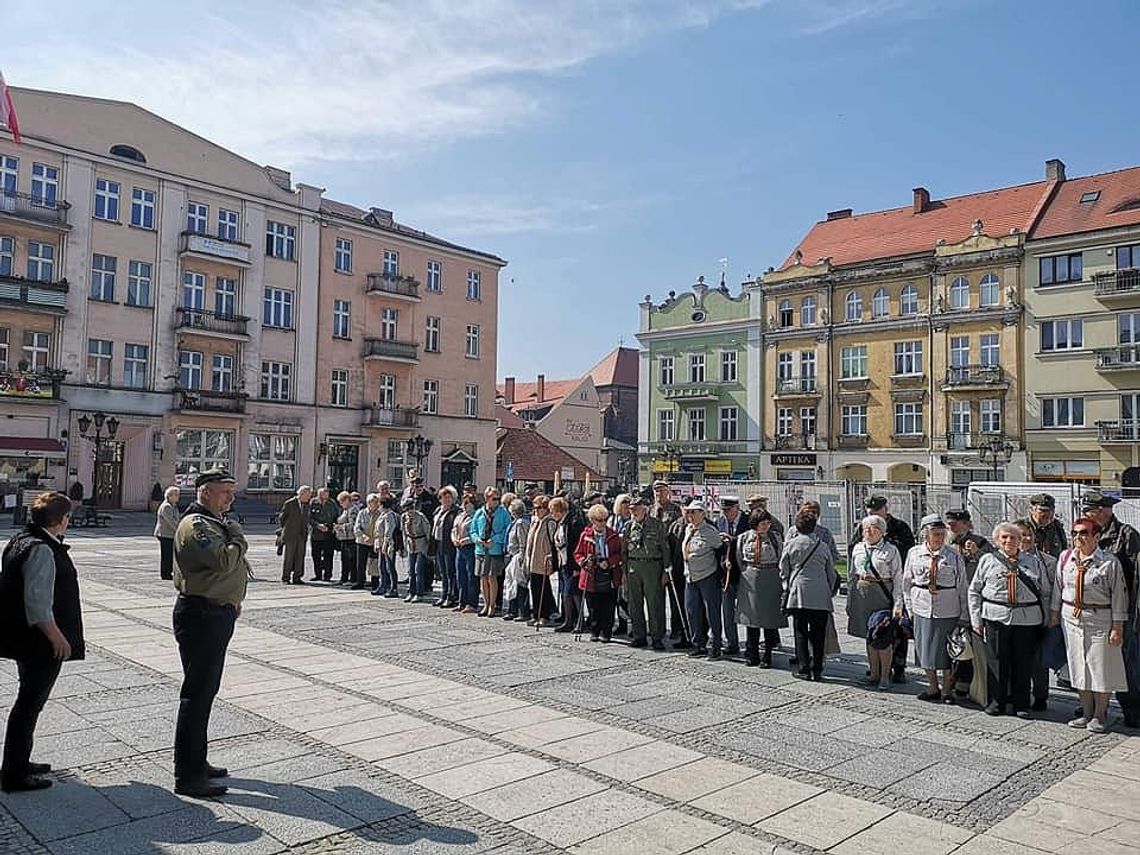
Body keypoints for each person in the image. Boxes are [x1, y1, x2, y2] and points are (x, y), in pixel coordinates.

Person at [171, 470, 249, 797]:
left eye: (232, 492)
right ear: (204, 493)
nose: (231, 498)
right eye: (224, 492)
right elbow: (222, 560)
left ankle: (197, 761)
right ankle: (188, 775)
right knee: (197, 694)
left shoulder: (213, 522)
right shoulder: (198, 526)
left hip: (214, 611)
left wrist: (231, 599)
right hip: (202, 615)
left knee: (205, 692)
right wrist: (238, 537)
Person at [0, 492, 84, 793]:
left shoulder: (20, 539)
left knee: (28, 702)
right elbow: (37, 602)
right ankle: (14, 773)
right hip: (38, 642)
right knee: (29, 704)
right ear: (62, 520)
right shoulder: (42, 549)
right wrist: (57, 636)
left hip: (22, 638)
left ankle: (19, 760)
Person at [1051, 516, 1129, 733]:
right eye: (1075, 533)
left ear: (1096, 536)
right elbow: (1059, 588)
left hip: (1099, 619)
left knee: (1100, 667)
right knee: (1078, 666)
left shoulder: (1109, 562)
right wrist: (1054, 613)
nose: (1078, 537)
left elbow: (1118, 597)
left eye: (1084, 533)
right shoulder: (1066, 558)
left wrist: (1117, 627)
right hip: (1072, 619)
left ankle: (1100, 714)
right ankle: (1086, 712)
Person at [969, 521, 1052, 718]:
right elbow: (974, 591)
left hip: (1027, 619)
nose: (1009, 541)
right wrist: (976, 620)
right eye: (1004, 537)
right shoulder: (988, 560)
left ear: (1020, 540)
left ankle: (1021, 703)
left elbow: (1046, 593)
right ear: (996, 540)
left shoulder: (1033, 562)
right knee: (996, 661)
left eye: (1013, 537)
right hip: (995, 616)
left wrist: (1046, 619)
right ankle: (996, 701)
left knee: (1023, 663)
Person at [1080, 489, 1140, 728]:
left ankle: (1133, 709)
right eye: (1085, 509)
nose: (1086, 513)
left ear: (1105, 510)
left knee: (1128, 663)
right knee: (1095, 660)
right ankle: (1094, 707)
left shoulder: (1126, 535)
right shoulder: (1084, 532)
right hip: (1093, 611)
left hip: (1121, 610)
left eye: (1090, 509)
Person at [901, 514, 968, 703]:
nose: (939, 537)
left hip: (948, 608)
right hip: (922, 607)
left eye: (941, 533)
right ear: (925, 535)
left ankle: (947, 690)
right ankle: (932, 687)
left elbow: (962, 586)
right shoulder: (914, 553)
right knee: (925, 650)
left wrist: (964, 614)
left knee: (947, 651)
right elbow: (907, 583)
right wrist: (910, 608)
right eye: (935, 534)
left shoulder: (953, 555)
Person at [780, 510, 839, 681]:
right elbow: (831, 573)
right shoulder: (822, 546)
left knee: (800, 631)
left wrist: (787, 586)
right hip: (820, 594)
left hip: (799, 593)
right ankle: (818, 668)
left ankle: (804, 667)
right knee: (818, 633)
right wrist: (829, 590)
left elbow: (783, 569)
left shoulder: (791, 544)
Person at [849, 514, 902, 689]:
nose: (868, 531)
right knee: (868, 635)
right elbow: (851, 575)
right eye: (865, 528)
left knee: (882, 636)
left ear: (882, 531)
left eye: (873, 528)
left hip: (881, 594)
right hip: (862, 595)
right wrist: (850, 601)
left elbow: (898, 579)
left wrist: (898, 604)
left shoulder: (890, 550)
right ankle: (873, 673)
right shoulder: (857, 548)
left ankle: (885, 675)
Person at [1016, 518, 1058, 711]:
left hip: (1037, 615)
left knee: (1037, 659)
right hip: (1012, 617)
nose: (1024, 538)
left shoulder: (1047, 561)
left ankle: (1040, 695)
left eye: (1028, 534)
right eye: (1020, 534)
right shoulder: (1001, 558)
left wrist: (1050, 616)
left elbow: (1053, 591)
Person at [735, 509, 784, 668]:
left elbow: (781, 556)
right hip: (751, 578)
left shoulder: (775, 538)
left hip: (770, 577)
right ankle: (752, 652)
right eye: (763, 523)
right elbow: (738, 558)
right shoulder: (744, 538)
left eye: (768, 523)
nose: (766, 526)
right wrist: (746, 572)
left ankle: (768, 654)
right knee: (751, 619)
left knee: (769, 619)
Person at [622, 496, 669, 650]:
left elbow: (665, 549)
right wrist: (624, 573)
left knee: (654, 603)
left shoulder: (657, 525)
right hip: (634, 567)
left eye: (636, 508)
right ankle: (638, 635)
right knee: (634, 604)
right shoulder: (629, 526)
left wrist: (666, 571)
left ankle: (656, 637)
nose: (633, 511)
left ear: (645, 508)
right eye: (631, 509)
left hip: (653, 567)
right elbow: (624, 552)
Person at [575, 504, 624, 642]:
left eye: (604, 519)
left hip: (609, 574)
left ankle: (606, 632)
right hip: (591, 574)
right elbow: (577, 553)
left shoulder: (613, 535)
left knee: (608, 605)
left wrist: (609, 562)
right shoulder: (585, 535)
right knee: (593, 606)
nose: (602, 523)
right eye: (599, 520)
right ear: (592, 520)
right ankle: (595, 630)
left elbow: (619, 554)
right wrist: (584, 562)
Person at [682, 501, 724, 660]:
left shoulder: (710, 531)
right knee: (692, 610)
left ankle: (716, 645)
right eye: (689, 512)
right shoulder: (689, 529)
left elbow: (720, 549)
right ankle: (698, 643)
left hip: (707, 576)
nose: (690, 516)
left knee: (711, 612)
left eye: (693, 512)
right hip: (690, 576)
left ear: (702, 513)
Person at [651, 481, 687, 645]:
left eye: (662, 492)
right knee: (656, 597)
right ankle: (658, 627)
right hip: (654, 559)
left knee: (675, 597)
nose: (659, 495)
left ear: (668, 492)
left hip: (672, 557)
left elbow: (678, 533)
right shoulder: (651, 510)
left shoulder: (675, 510)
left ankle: (677, 628)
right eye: (657, 492)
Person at [715, 496, 749, 658]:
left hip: (744, 573)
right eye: (724, 511)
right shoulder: (720, 522)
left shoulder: (748, 522)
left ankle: (751, 643)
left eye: (728, 510)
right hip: (726, 573)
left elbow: (750, 542)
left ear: (737, 508)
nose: (726, 514)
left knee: (748, 611)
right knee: (727, 611)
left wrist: (732, 540)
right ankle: (732, 643)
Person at [471, 487, 510, 617]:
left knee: (492, 577)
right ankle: (486, 604)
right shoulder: (479, 512)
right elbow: (473, 530)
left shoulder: (503, 512)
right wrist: (478, 540)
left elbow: (507, 530)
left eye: (498, 498)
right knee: (483, 577)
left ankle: (493, 606)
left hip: (494, 549)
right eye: (494, 499)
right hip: (481, 549)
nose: (497, 501)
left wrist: (495, 539)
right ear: (487, 499)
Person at [551, 496, 586, 632]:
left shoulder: (573, 522)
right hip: (563, 562)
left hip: (572, 563)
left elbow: (575, 546)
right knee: (566, 592)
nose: (551, 513)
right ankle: (568, 620)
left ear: (559, 510)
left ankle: (580, 621)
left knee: (574, 592)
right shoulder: (561, 522)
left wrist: (577, 566)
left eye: (552, 510)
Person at [524, 494, 557, 627]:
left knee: (543, 588)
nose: (535, 510)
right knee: (534, 588)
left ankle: (544, 615)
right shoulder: (535, 521)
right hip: (533, 560)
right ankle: (536, 614)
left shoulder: (550, 522)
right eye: (534, 507)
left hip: (543, 560)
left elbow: (553, 542)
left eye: (539, 508)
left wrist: (551, 559)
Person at [503, 498, 532, 621]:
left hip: (517, 557)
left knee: (520, 584)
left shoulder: (521, 523)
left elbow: (523, 542)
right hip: (511, 555)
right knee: (510, 583)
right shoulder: (515, 522)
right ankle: (512, 609)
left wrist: (521, 557)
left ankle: (523, 611)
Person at [277, 485, 312, 585]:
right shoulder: (290, 503)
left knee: (300, 556)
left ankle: (297, 577)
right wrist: (286, 528)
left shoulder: (306, 505)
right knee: (289, 557)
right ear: (301, 494)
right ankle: (286, 577)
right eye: (308, 495)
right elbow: (282, 518)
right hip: (290, 534)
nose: (309, 497)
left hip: (302, 534)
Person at [432, 487, 460, 608]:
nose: (446, 499)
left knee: (450, 572)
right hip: (438, 543)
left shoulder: (455, 511)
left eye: (449, 497)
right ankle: (443, 595)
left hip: (449, 544)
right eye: (444, 497)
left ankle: (451, 596)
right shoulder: (438, 510)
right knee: (442, 572)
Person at [451, 495, 479, 614]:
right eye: (464, 502)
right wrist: (454, 539)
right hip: (459, 548)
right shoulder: (459, 516)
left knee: (470, 576)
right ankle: (461, 602)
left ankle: (472, 603)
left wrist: (466, 540)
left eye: (468, 503)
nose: (465, 505)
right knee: (460, 575)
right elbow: (453, 530)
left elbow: (476, 532)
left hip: (470, 547)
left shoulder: (476, 516)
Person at [400, 497, 431, 603]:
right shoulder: (404, 517)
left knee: (418, 570)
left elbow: (427, 532)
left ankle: (419, 593)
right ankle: (411, 592)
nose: (409, 510)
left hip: (420, 544)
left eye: (411, 507)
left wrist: (428, 549)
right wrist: (404, 546)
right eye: (407, 508)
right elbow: (404, 533)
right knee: (411, 571)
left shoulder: (421, 517)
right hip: (410, 545)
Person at [308, 487, 339, 582]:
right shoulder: (313, 503)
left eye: (326, 495)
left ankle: (327, 575)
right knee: (316, 555)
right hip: (316, 534)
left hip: (328, 534)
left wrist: (330, 527)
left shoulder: (332, 503)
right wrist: (317, 525)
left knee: (328, 555)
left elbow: (336, 517)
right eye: (322, 495)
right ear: (318, 495)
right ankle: (318, 574)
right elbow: (309, 517)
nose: (324, 497)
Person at [353, 494, 382, 591]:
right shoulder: (362, 513)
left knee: (374, 562)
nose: (377, 504)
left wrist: (375, 538)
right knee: (360, 563)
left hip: (374, 541)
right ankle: (360, 582)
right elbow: (357, 527)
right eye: (374, 502)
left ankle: (375, 582)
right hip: (362, 541)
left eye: (377, 502)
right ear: (369, 503)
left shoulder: (380, 514)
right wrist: (363, 536)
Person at [374, 497, 401, 597]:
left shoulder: (389, 515)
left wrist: (386, 543)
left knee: (389, 566)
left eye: (379, 504)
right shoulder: (382, 515)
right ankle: (383, 586)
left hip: (388, 544)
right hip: (381, 544)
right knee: (381, 566)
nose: (378, 506)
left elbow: (389, 530)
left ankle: (393, 588)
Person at [154, 486, 182, 581]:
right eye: (176, 495)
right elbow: (171, 522)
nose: (178, 497)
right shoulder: (166, 507)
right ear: (170, 496)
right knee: (166, 555)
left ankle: (169, 572)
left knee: (170, 554)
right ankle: (165, 574)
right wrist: (179, 529)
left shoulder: (173, 506)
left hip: (170, 534)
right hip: (165, 534)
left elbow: (177, 519)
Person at [1028, 493, 1067, 559]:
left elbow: (1064, 552)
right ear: (1032, 510)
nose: (1047, 514)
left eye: (1051, 510)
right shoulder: (1023, 528)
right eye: (1042, 510)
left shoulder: (1057, 527)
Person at [333, 490, 359, 586]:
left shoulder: (353, 510)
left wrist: (341, 527)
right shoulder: (345, 510)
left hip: (351, 538)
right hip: (344, 538)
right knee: (344, 559)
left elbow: (353, 524)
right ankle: (343, 578)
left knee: (351, 559)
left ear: (347, 500)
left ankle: (352, 579)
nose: (340, 504)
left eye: (341, 502)